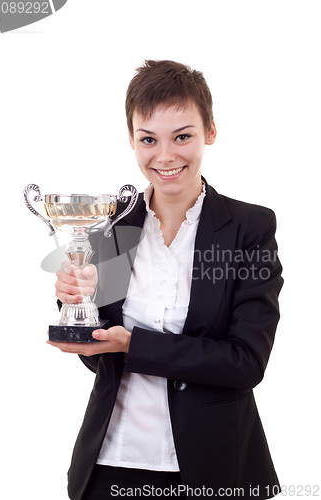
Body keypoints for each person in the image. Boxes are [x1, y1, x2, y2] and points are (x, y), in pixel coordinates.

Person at [48, 60, 284, 500]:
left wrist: (132, 345)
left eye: (183, 136)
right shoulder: (109, 230)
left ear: (210, 131)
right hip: (109, 465)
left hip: (214, 470)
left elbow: (246, 361)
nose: (165, 155)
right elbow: (99, 359)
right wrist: (75, 309)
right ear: (132, 140)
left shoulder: (248, 229)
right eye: (148, 139)